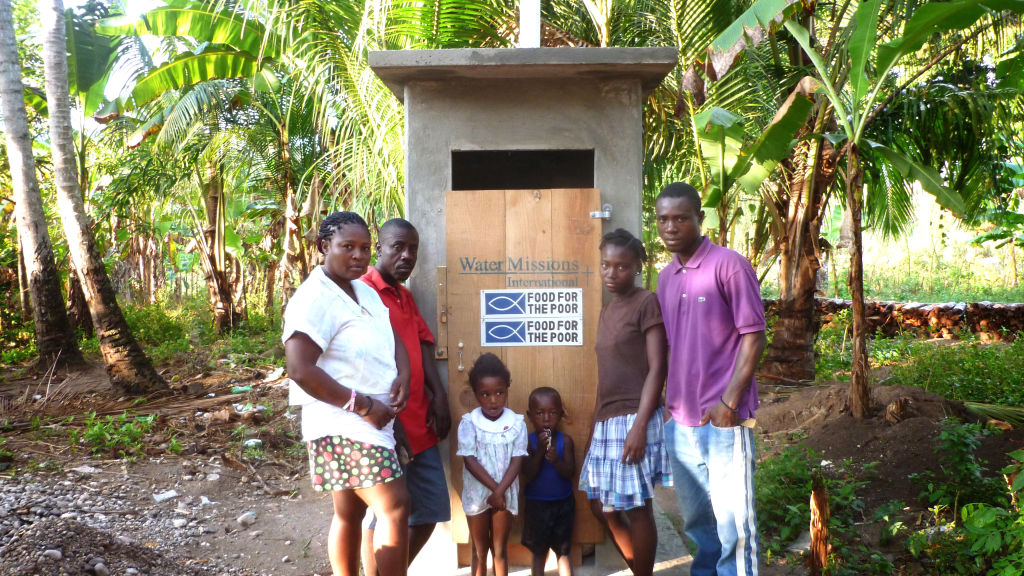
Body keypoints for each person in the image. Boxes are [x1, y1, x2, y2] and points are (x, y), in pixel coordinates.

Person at [282, 211, 412, 576]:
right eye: (348, 247)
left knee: (351, 511)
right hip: (343, 421)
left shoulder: (363, 290)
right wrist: (364, 405)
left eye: (365, 248)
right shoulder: (314, 298)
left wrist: (403, 373)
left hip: (372, 420)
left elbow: (392, 335)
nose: (359, 255)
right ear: (324, 247)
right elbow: (300, 369)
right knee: (395, 506)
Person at [655, 183, 767, 576]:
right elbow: (672, 346)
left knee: (735, 528)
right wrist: (670, 410)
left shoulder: (728, 265)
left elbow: (754, 337)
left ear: (700, 219)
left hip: (724, 422)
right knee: (699, 527)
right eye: (663, 219)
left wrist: (729, 404)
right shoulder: (666, 277)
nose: (671, 227)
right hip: (680, 424)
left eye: (681, 218)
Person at [359, 219, 451, 575]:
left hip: (419, 421)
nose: (407, 255)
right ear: (379, 248)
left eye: (413, 249)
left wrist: (439, 396)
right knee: (379, 514)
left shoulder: (405, 296)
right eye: (398, 246)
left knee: (430, 508)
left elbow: (424, 345)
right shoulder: (363, 290)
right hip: (383, 424)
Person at [579, 228, 671, 576]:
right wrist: (593, 426)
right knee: (598, 504)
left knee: (637, 508)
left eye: (620, 266)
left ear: (636, 267)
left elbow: (657, 367)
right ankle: (638, 567)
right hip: (608, 418)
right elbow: (606, 375)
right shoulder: (607, 311)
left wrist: (639, 427)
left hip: (636, 415)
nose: (611, 273)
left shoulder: (646, 302)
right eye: (605, 265)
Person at [457, 353, 528, 576]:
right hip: (477, 494)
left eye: (499, 393)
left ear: (507, 389)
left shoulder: (516, 424)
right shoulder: (469, 423)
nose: (493, 400)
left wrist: (500, 492)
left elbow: (518, 460)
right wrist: (494, 491)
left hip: (504, 494)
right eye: (485, 394)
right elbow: (469, 461)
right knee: (480, 551)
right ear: (476, 394)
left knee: (500, 550)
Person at [520, 387, 576, 576]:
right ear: (529, 416)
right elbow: (528, 473)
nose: (546, 419)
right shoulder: (527, 442)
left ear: (560, 415)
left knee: (563, 552)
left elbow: (570, 473)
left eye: (552, 413)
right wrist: (541, 453)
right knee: (538, 552)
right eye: (539, 413)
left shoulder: (565, 441)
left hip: (563, 505)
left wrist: (557, 462)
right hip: (536, 506)